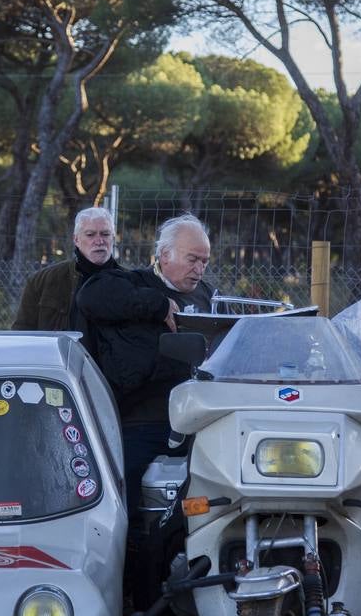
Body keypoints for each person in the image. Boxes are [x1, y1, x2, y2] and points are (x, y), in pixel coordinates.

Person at [74, 213, 214, 515]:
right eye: (192, 259)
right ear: (164, 255)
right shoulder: (133, 283)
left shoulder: (208, 295)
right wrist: (158, 304)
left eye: (204, 261)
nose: (199, 269)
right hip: (141, 419)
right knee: (123, 499)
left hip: (196, 419)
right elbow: (91, 296)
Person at [12, 206, 119, 332]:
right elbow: (22, 333)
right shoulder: (42, 282)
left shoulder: (132, 283)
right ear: (76, 240)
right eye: (90, 235)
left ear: (113, 238)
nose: (99, 241)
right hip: (56, 352)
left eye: (105, 234)